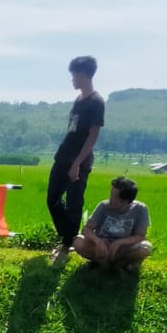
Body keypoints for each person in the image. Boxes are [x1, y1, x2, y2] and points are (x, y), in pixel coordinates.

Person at [48, 55, 105, 265]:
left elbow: (93, 135)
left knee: (74, 202)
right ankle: (69, 236)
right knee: (52, 198)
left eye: (73, 75)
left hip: (79, 160)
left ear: (82, 75)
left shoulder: (96, 102)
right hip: (63, 155)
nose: (72, 80)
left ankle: (66, 243)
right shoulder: (79, 99)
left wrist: (77, 163)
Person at [74, 176, 152, 268]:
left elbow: (140, 236)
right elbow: (86, 230)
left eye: (114, 197)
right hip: (102, 247)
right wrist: (98, 241)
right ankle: (105, 264)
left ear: (125, 201)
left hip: (124, 248)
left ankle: (120, 264)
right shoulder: (103, 206)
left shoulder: (140, 209)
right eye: (111, 194)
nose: (110, 199)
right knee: (78, 241)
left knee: (146, 247)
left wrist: (119, 242)